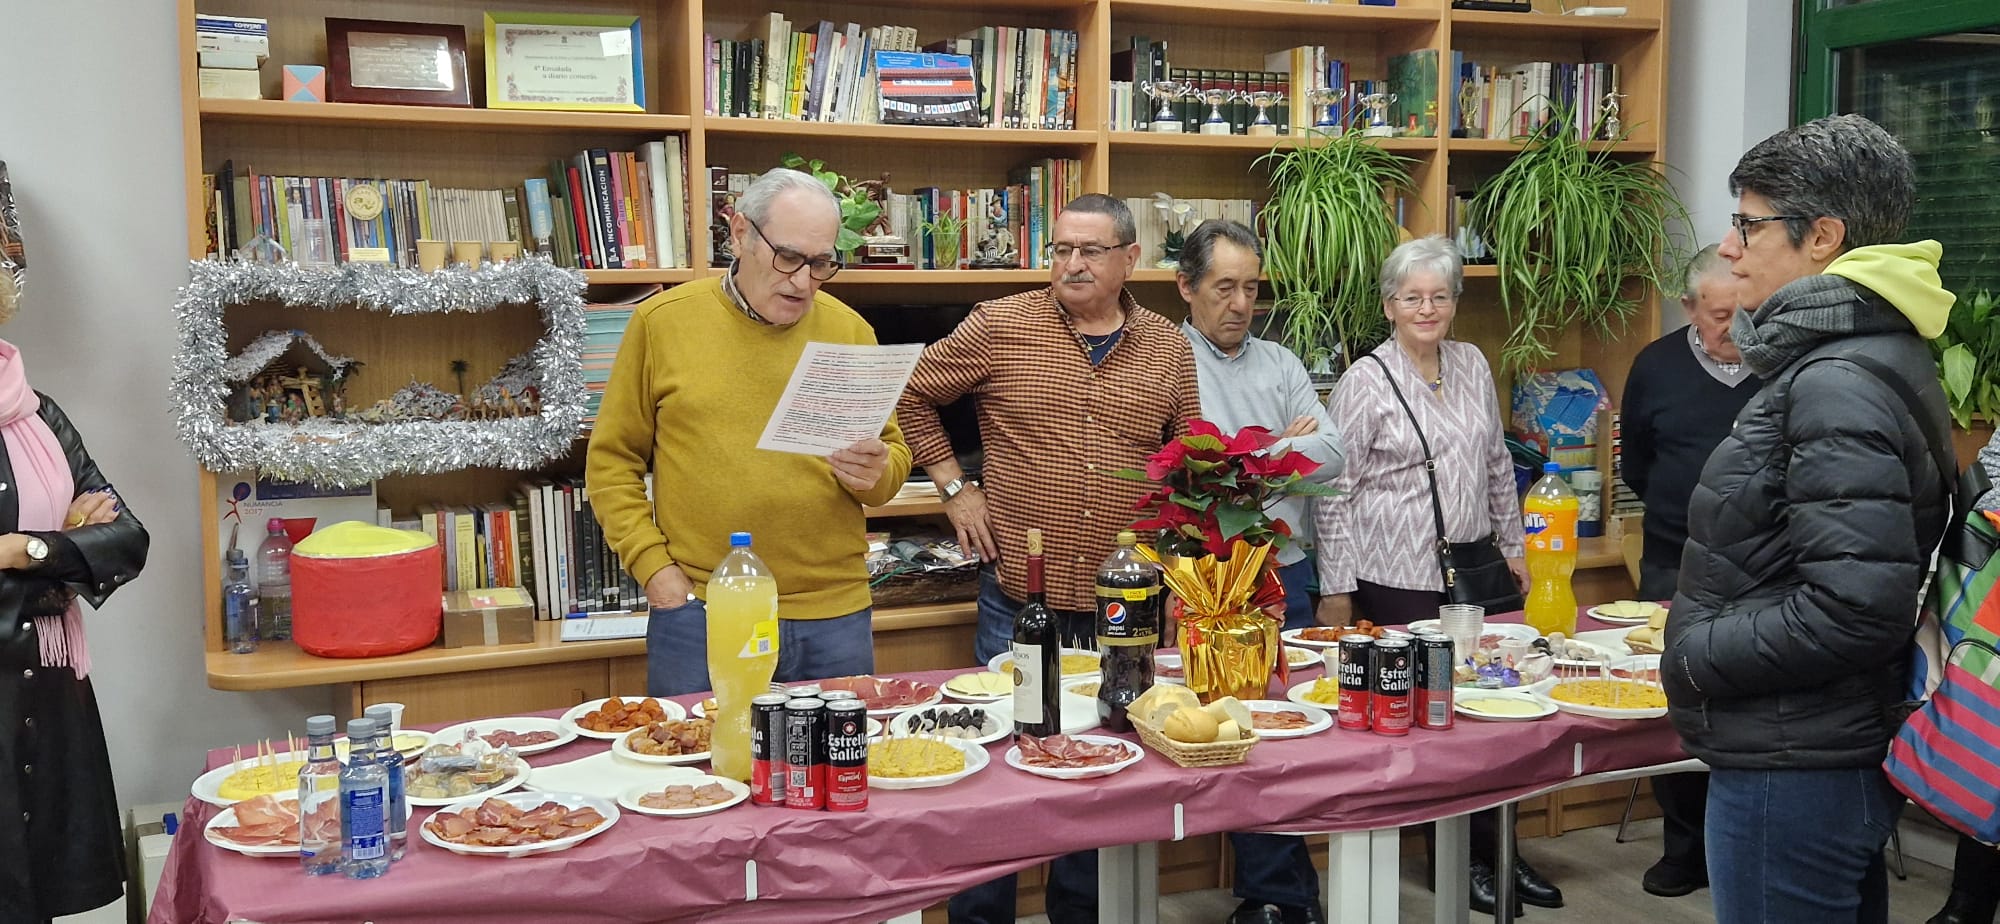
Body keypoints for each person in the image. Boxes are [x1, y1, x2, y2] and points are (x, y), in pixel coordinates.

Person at [1664, 113, 1955, 924]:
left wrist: (1693, 654)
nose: (1729, 248)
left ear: (1822, 236)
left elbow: (1856, 608)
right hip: (1818, 742)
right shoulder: (1865, 350)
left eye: (1747, 225)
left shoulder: (1838, 380)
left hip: (1796, 759)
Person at [897, 193, 1200, 924]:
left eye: (1090, 251)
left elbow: (1192, 456)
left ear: (1130, 259)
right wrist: (955, 489)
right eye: (1061, 248)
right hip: (1018, 597)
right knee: (1003, 769)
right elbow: (909, 395)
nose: (1070, 263)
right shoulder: (1001, 323)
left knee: (1103, 772)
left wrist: (1186, 562)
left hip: (1125, 605)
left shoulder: (1166, 345)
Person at [586, 167, 912, 697]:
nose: (804, 281)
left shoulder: (850, 330)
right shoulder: (662, 323)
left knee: (836, 776)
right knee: (703, 774)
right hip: (704, 610)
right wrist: (656, 573)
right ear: (739, 233)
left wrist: (875, 471)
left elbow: (890, 464)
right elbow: (610, 463)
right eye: (788, 258)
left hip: (833, 613)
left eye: (822, 263)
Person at [1311, 235, 1555, 916]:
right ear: (1389, 304)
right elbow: (1334, 490)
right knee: (1429, 730)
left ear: (1454, 302)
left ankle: (1502, 853)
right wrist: (1336, 588)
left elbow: (1497, 465)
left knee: (1493, 716)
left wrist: (1514, 545)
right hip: (1396, 578)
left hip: (1476, 574)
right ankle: (1455, 861)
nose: (1426, 307)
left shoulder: (1473, 362)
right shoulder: (1366, 380)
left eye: (1439, 296)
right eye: (1412, 296)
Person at [1176, 219, 1342, 924]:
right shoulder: (1165, 360)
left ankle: (1279, 897)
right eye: (1224, 288)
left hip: (1287, 571)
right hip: (1207, 580)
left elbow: (1333, 453)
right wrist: (1282, 449)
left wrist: (1249, 455)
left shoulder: (1281, 362)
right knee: (1225, 732)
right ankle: (1281, 897)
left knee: (1283, 732)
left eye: (1251, 288)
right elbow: (1195, 464)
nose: (1240, 304)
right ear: (1186, 288)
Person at [0, 163, 151, 922]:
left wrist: (23, 551)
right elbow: (90, 540)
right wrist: (63, 540)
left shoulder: (39, 417)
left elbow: (126, 537)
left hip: (46, 706)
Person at [1617, 243, 1757, 898]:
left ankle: (1744, 844)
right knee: (1673, 701)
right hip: (1673, 561)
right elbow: (1636, 466)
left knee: (1750, 705)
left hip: (1763, 568)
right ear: (1689, 307)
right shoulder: (1656, 366)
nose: (1736, 330)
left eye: (1746, 312)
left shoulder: (1783, 365)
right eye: (1721, 315)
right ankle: (1684, 845)